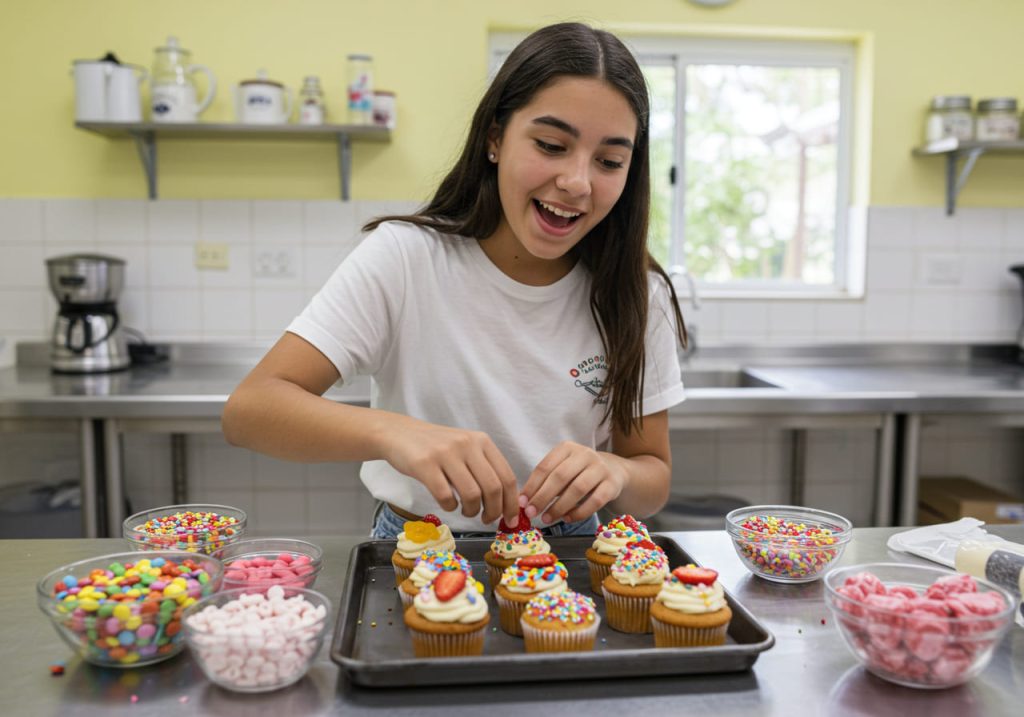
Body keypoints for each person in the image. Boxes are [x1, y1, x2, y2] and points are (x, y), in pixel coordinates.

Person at [222, 22, 688, 539]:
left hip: (570, 551)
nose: (577, 182)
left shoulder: (640, 294)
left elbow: (654, 477)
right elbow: (251, 410)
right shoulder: (405, 258)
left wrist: (618, 471)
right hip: (418, 542)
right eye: (552, 145)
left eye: (609, 161)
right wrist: (395, 434)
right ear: (495, 138)